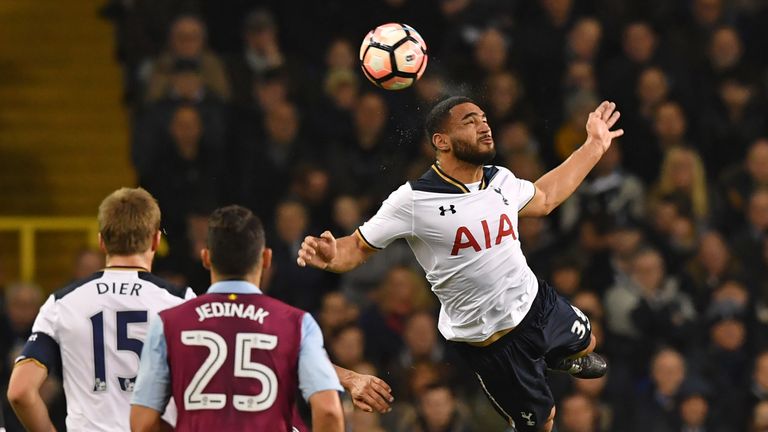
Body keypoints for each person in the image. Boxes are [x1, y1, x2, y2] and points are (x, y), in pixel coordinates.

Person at [298, 96, 624, 431]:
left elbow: (545, 198)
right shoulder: (413, 200)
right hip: (495, 343)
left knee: (588, 344)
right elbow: (355, 246)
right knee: (543, 422)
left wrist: (595, 145)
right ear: (441, 141)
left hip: (536, 303)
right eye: (469, 121)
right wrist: (330, 255)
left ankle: (555, 356)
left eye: (484, 118)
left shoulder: (500, 179)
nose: (484, 125)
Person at [130, 205, 344, 431]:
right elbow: (329, 411)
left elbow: (143, 422)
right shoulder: (297, 323)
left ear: (206, 258)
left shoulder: (168, 323)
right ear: (266, 258)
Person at [6, 187, 195, 431]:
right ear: (156, 240)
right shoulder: (181, 301)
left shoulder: (62, 302)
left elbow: (20, 392)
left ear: (101, 242)